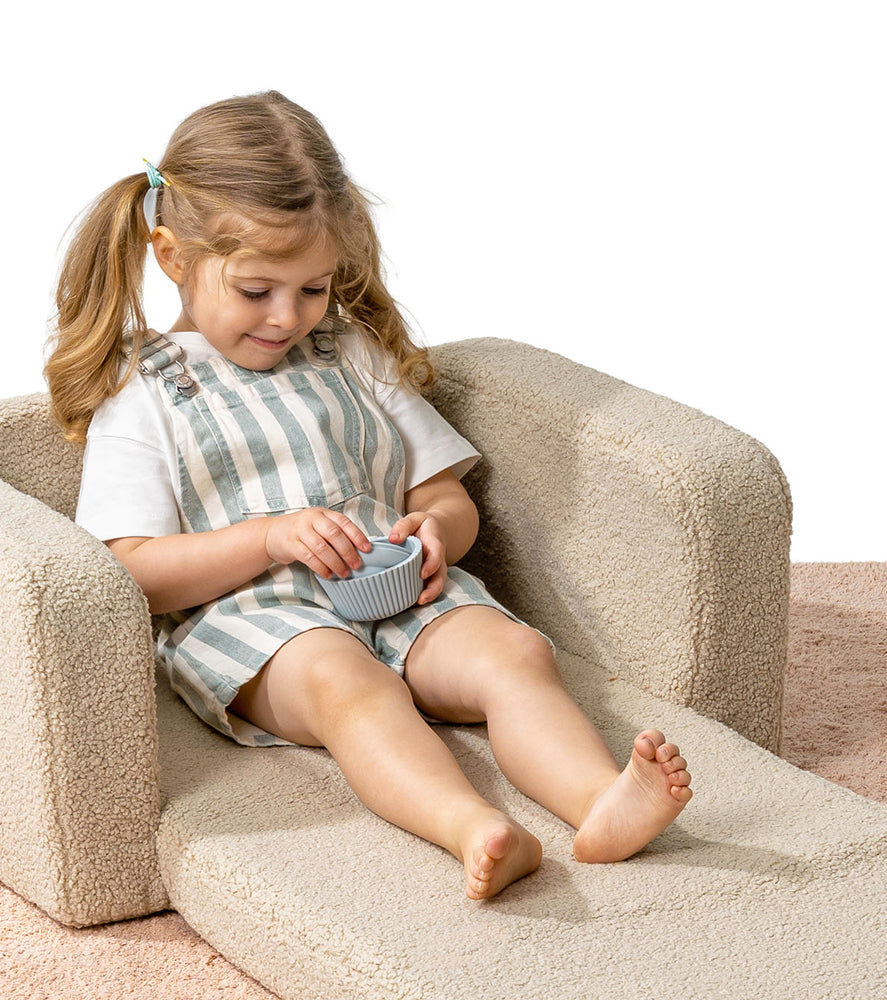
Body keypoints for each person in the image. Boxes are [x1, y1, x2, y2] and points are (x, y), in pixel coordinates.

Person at [44, 91, 692, 900]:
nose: (287, 316)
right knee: (350, 684)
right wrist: (269, 538)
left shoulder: (350, 353)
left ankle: (600, 801)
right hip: (258, 624)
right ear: (172, 256)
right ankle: (472, 826)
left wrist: (439, 534)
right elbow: (131, 570)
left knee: (514, 655)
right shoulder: (143, 391)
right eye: (256, 291)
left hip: (399, 592)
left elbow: (446, 493)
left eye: (312, 288)